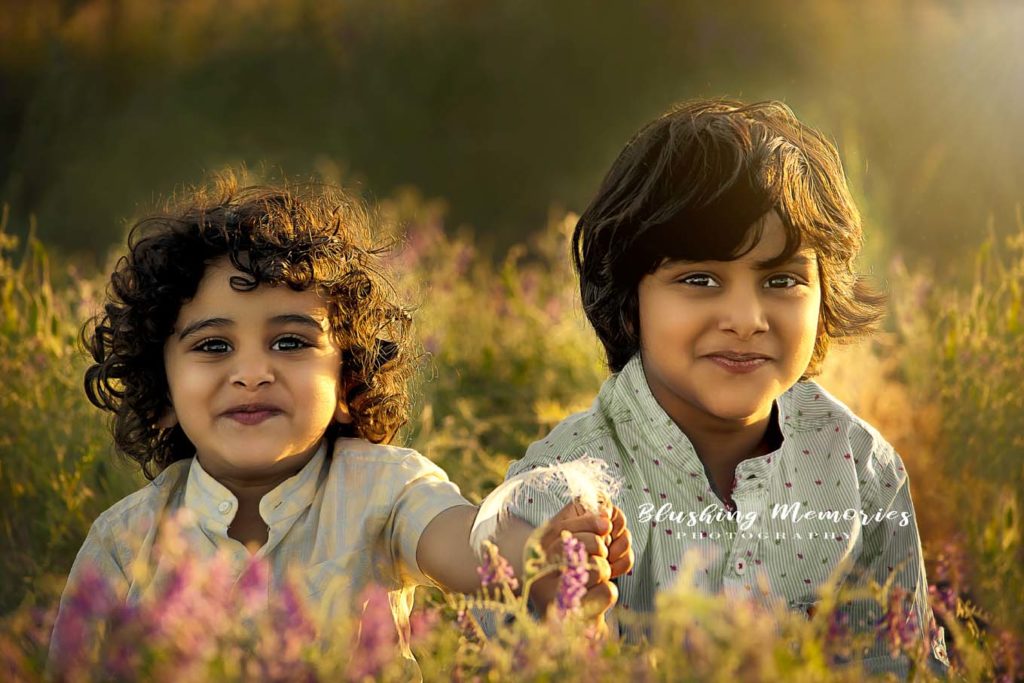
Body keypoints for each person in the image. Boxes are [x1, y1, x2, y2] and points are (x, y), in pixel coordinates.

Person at [48, 177, 630, 672]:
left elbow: (464, 540)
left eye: (290, 341)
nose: (252, 372)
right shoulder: (126, 540)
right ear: (165, 391)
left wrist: (539, 556)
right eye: (215, 345)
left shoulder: (383, 487)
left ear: (347, 383)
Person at [503, 99, 949, 675]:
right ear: (629, 298)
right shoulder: (553, 491)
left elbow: (903, 663)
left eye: (782, 279)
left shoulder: (860, 470)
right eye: (700, 278)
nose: (746, 318)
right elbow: (494, 658)